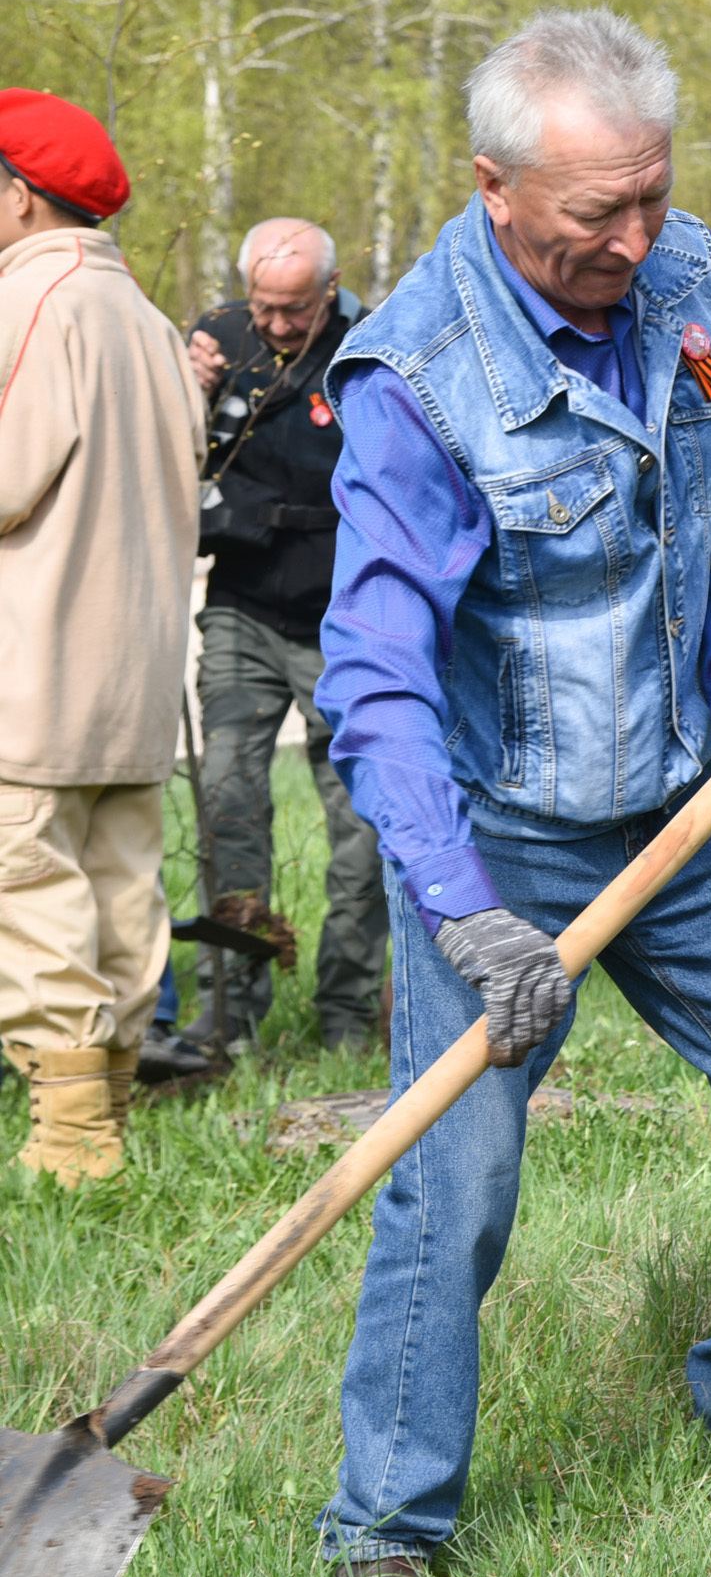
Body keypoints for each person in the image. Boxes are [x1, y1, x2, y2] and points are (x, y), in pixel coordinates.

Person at [314, 11, 711, 1577]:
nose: (636, 240)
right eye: (598, 212)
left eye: (653, 197)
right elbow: (377, 679)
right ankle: (387, 1523)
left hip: (685, 799)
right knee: (452, 1181)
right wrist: (460, 907)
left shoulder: (688, 288)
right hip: (499, 829)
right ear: (494, 187)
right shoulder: (416, 380)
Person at [0, 90, 197, 1184]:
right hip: (133, 677)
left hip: (31, 665)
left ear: (21, 197)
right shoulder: (148, 319)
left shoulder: (30, 302)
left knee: (29, 897)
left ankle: (73, 1148)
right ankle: (105, 1128)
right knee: (121, 898)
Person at [162, 218, 387, 1062]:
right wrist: (186, 388)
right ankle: (230, 1011)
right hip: (242, 614)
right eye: (266, 307)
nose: (280, 325)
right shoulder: (215, 342)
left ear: (328, 293)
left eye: (295, 310)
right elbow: (174, 463)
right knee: (225, 804)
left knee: (362, 827)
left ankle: (349, 1015)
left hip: (345, 622)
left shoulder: (368, 352)